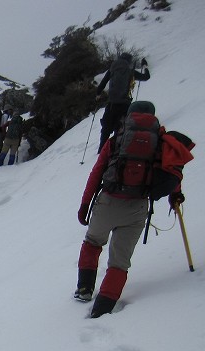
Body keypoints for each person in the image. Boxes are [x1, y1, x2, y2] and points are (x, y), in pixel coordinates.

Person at [74, 100, 188, 318]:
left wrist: (85, 205)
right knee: (120, 261)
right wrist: (175, 196)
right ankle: (103, 309)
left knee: (93, 242)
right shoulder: (162, 142)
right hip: (137, 207)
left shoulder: (116, 139)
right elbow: (173, 173)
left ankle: (84, 289)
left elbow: (97, 173)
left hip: (108, 202)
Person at [96, 52, 150, 153]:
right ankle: (116, 149)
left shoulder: (112, 69)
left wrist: (98, 95)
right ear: (128, 62)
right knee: (120, 127)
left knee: (106, 128)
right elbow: (146, 77)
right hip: (124, 104)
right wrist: (144, 66)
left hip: (111, 104)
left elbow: (101, 85)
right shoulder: (130, 71)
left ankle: (101, 150)